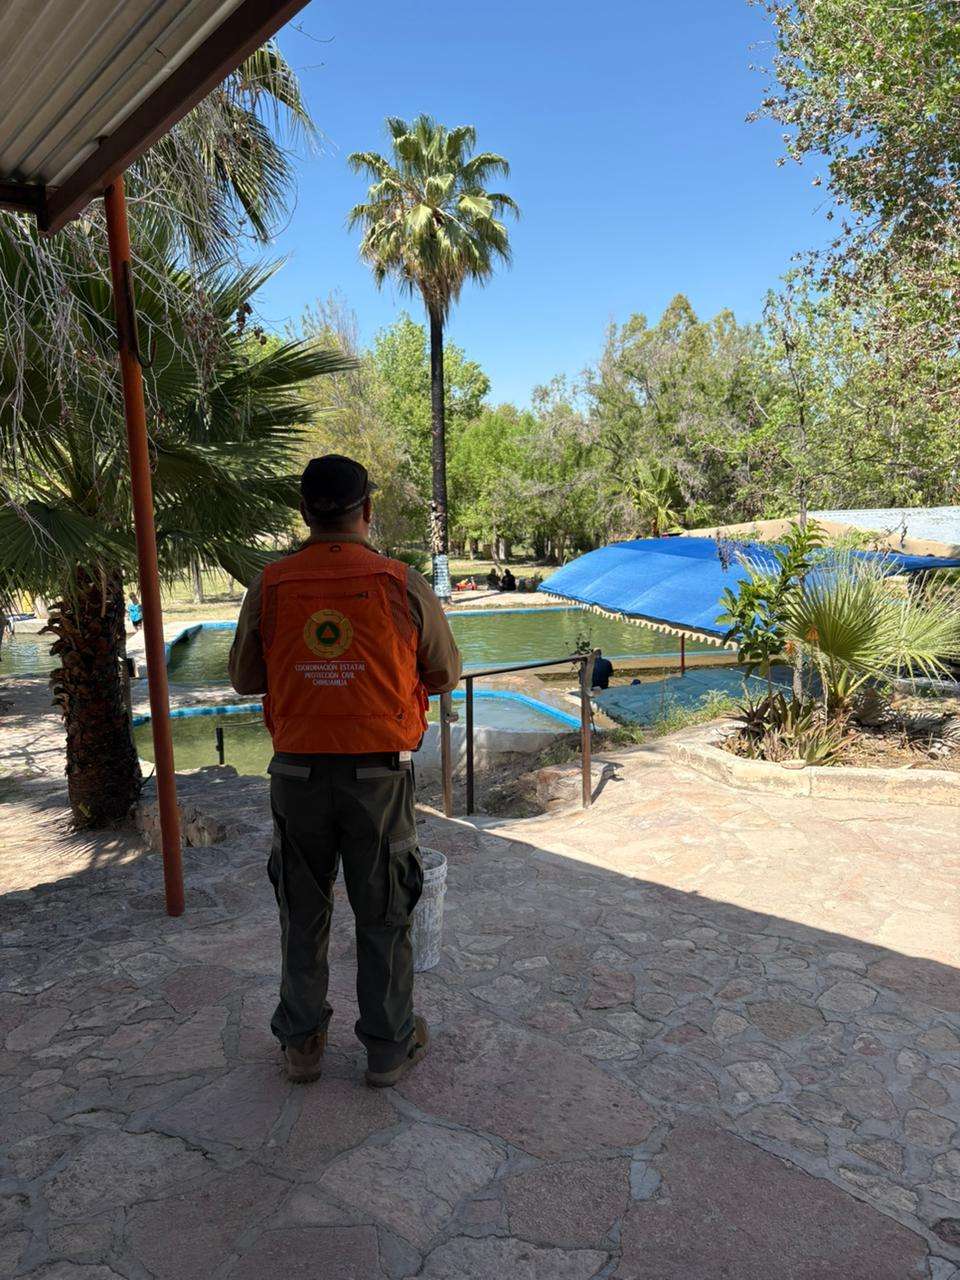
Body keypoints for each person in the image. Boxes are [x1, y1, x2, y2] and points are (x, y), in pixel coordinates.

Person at [229, 455, 462, 1087]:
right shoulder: (401, 583)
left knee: (301, 911)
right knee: (384, 911)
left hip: (296, 776)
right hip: (378, 779)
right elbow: (445, 673)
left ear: (305, 512)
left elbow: (245, 678)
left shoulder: (271, 585)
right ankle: (387, 1048)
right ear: (367, 511)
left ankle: (302, 1046)